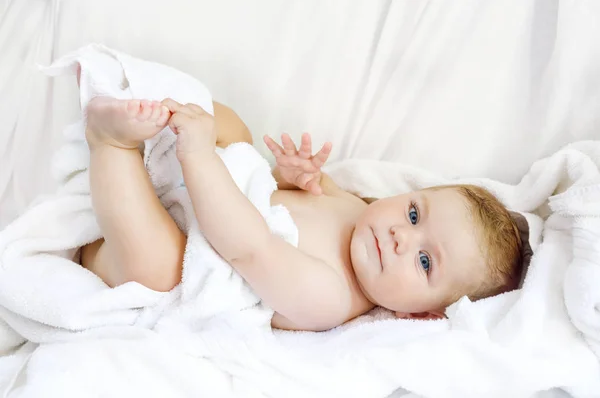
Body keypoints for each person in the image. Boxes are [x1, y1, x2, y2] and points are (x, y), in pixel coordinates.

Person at [81, 97, 523, 331]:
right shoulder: (356, 208)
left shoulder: (331, 296)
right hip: (203, 189)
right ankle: (154, 108)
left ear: (419, 315)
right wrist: (292, 176)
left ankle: (112, 144)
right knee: (235, 129)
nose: (400, 237)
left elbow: (250, 248)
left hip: (188, 247)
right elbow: (279, 193)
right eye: (413, 214)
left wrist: (198, 155)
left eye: (425, 261)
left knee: (158, 268)